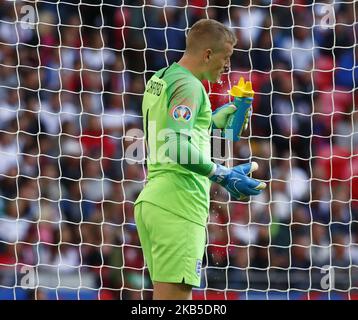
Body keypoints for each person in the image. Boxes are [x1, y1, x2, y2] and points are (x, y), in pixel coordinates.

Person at [134, 19, 266, 300]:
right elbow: (175, 144)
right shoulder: (191, 88)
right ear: (207, 54)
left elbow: (169, 130)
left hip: (155, 199)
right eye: (226, 57)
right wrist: (222, 174)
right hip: (179, 204)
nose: (227, 66)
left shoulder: (162, 77)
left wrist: (208, 123)